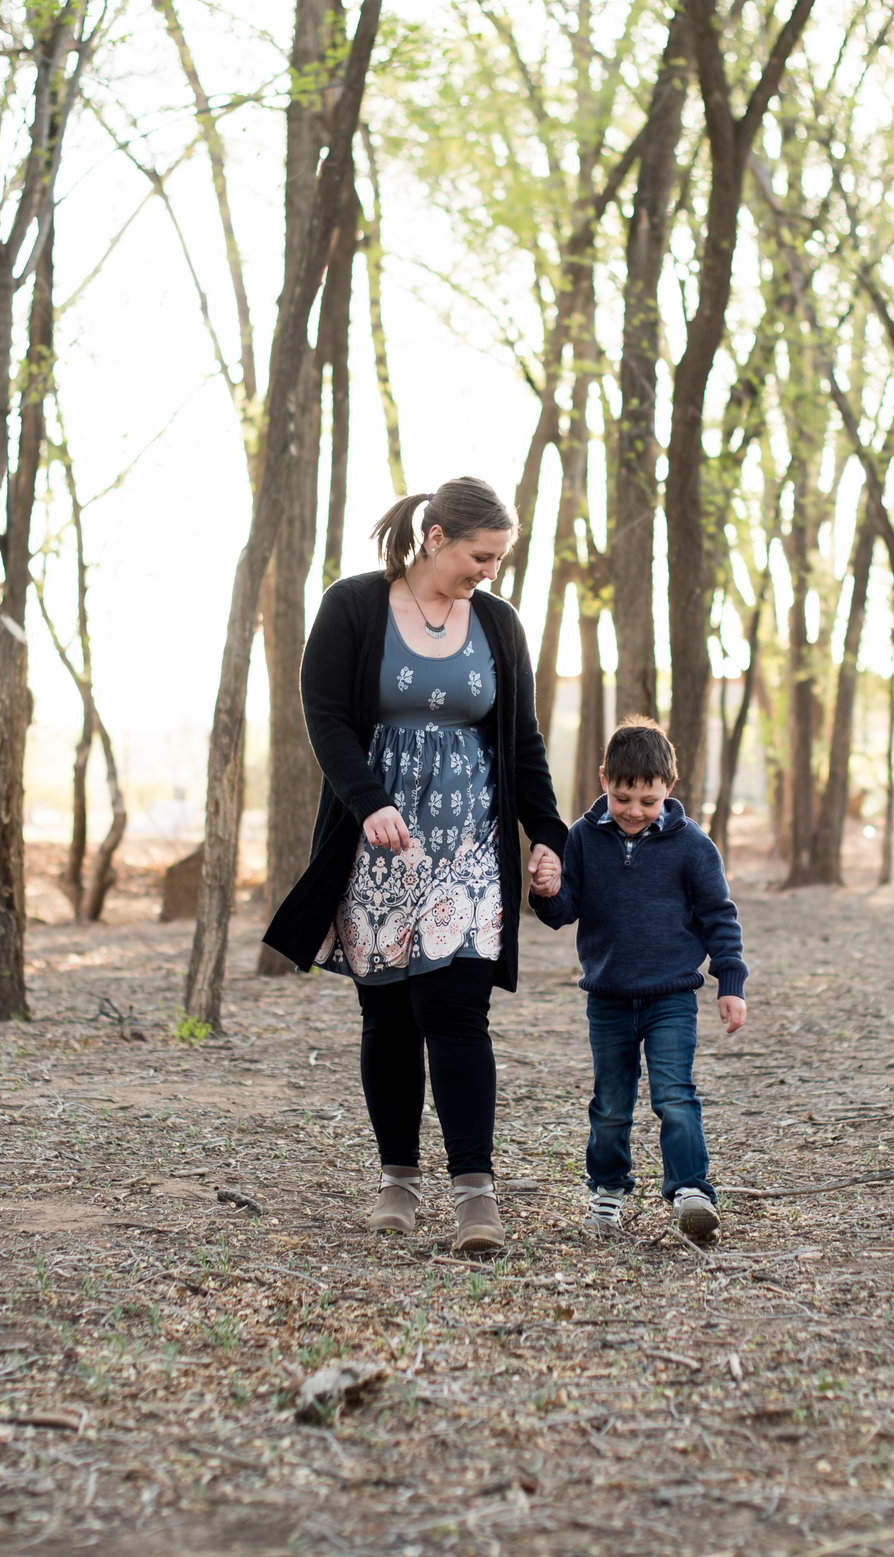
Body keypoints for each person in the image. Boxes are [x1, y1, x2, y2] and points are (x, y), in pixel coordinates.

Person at [263, 477, 567, 1253]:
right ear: (436, 537)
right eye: (481, 555)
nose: (489, 571)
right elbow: (325, 716)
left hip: (469, 848)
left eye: (499, 558)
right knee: (389, 1017)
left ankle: (475, 1194)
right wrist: (368, 802)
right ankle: (397, 1179)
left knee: (458, 1013)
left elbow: (521, 739)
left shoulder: (497, 624)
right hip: (378, 846)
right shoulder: (354, 606)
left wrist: (548, 834)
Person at [529, 718, 748, 1241]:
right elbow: (564, 912)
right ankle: (606, 1192)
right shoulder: (582, 838)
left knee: (675, 1095)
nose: (633, 811)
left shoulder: (692, 845)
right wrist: (547, 890)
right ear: (604, 779)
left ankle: (691, 1190)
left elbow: (720, 916)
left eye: (647, 801)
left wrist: (730, 984)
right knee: (610, 1104)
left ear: (669, 789)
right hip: (607, 998)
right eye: (623, 797)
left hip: (671, 995)